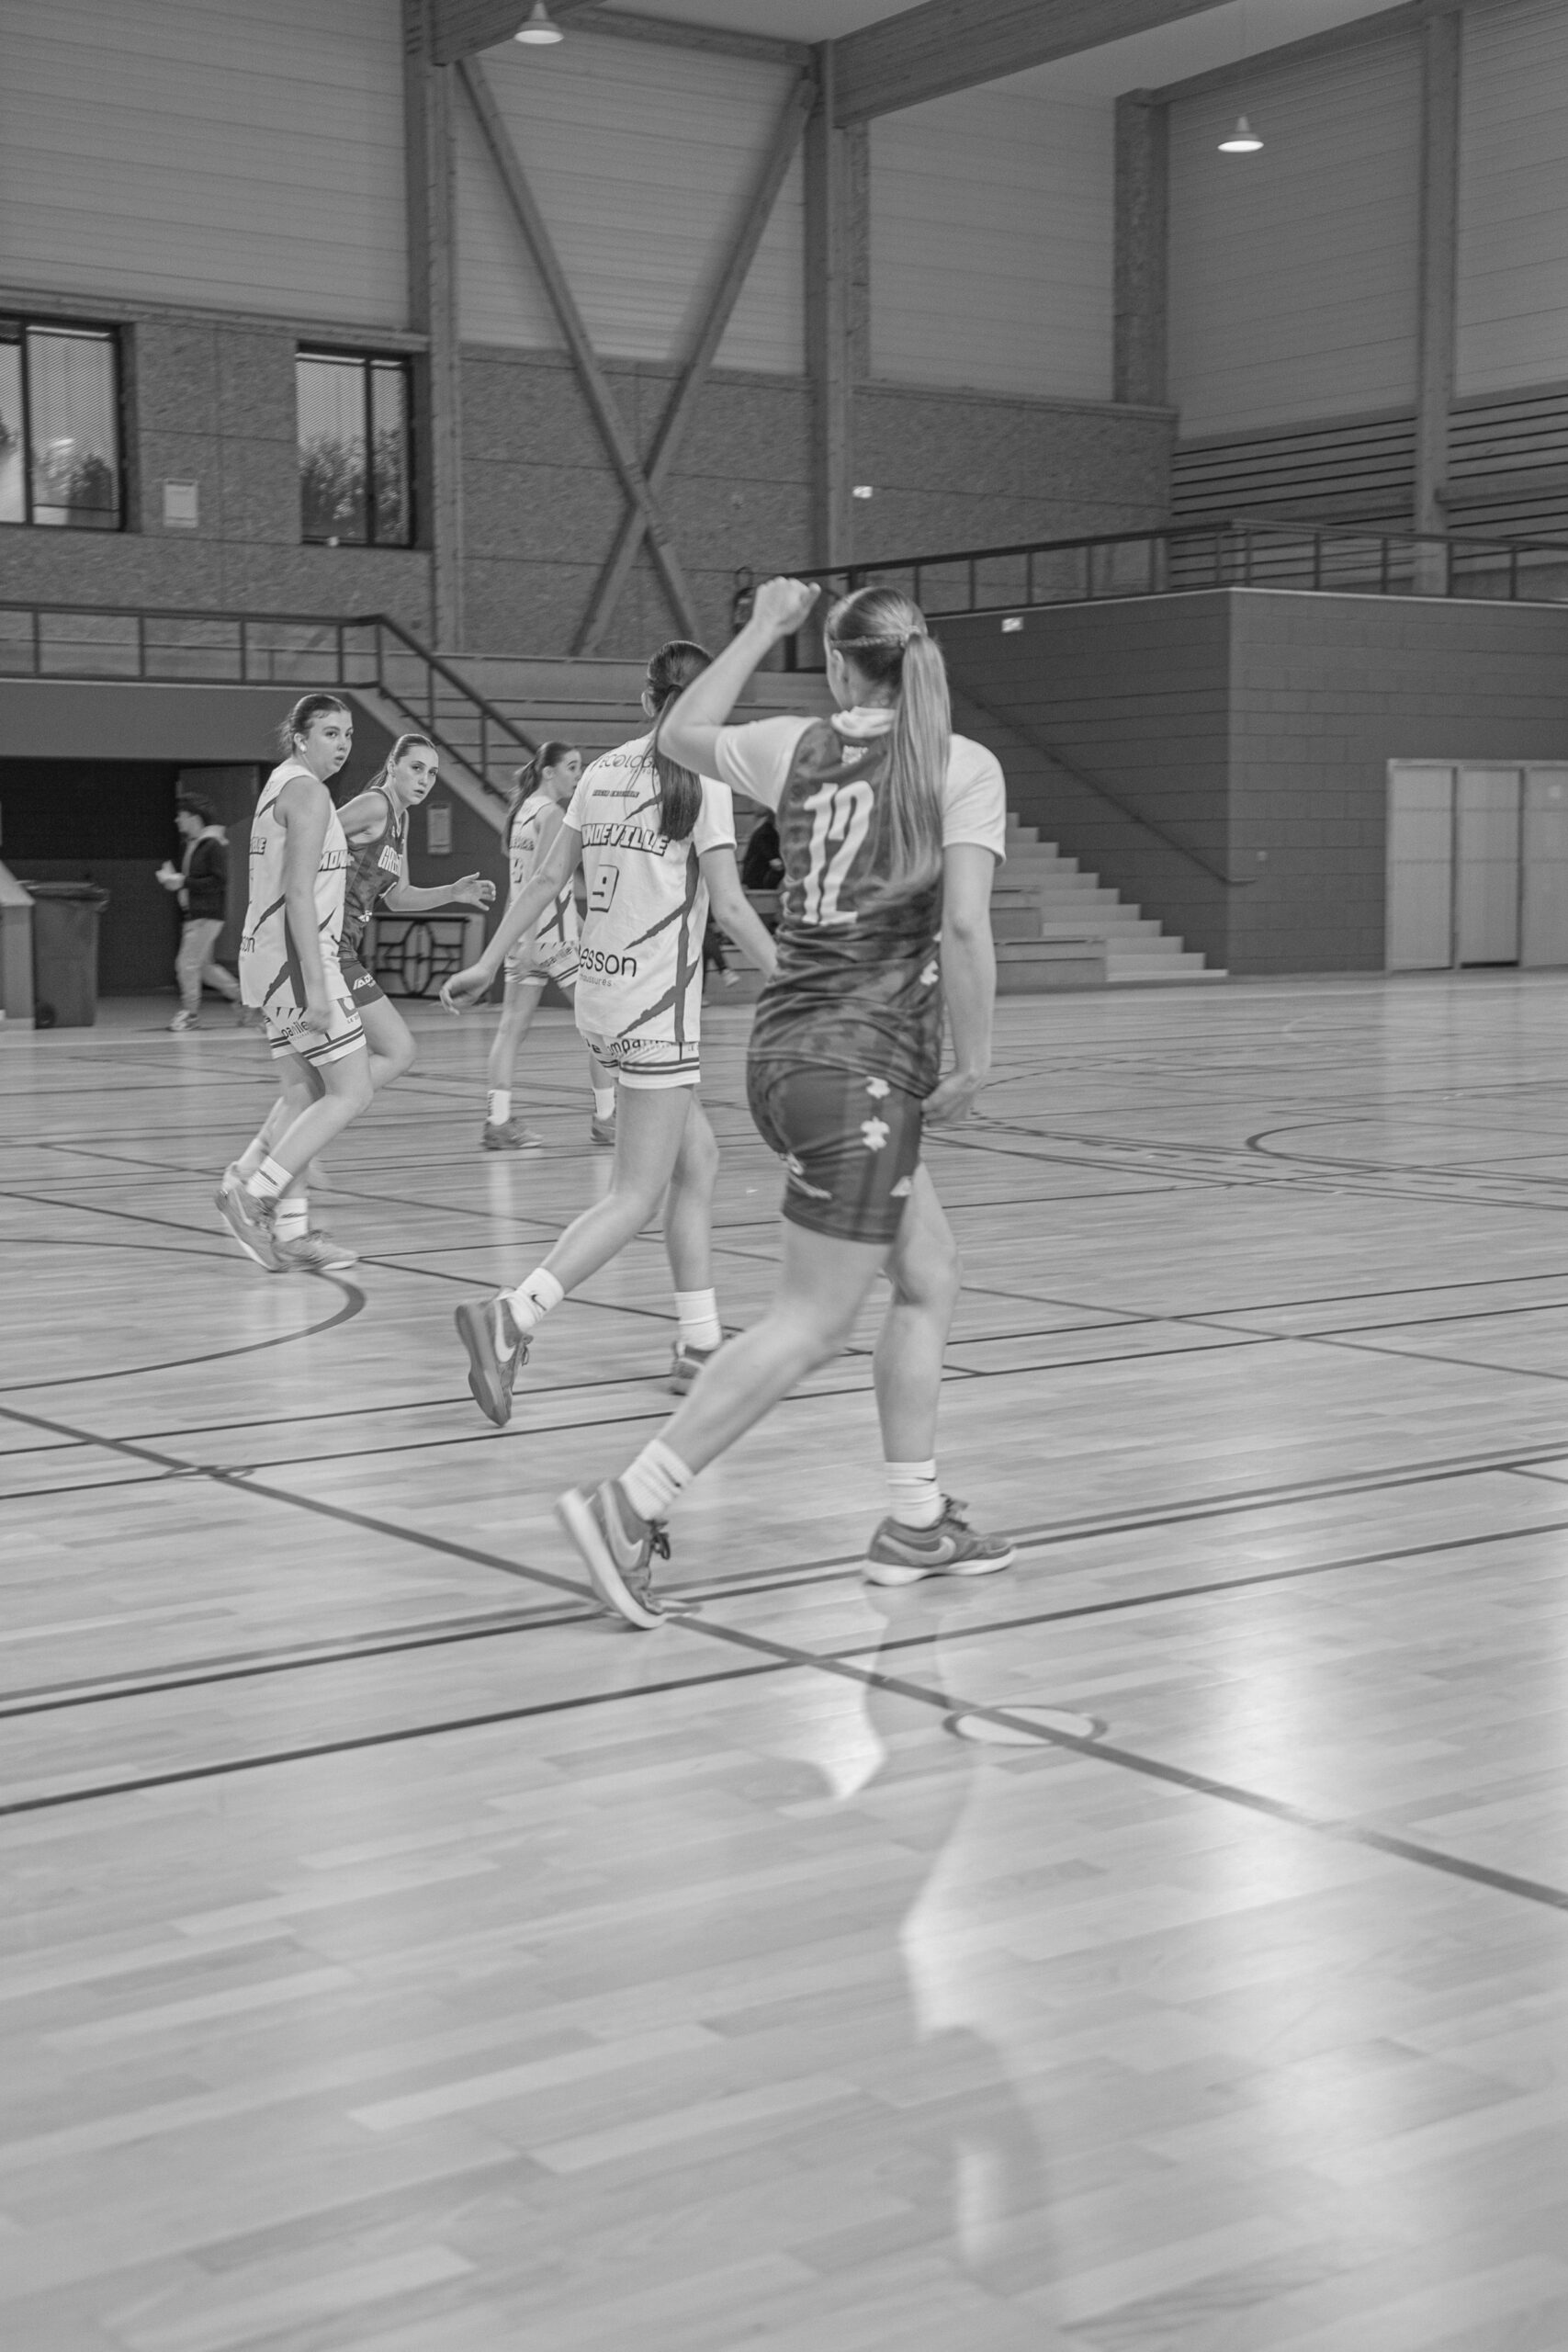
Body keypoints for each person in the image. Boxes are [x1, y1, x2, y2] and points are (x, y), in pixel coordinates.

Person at [555, 578, 1015, 1626]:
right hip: (859, 1067)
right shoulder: (962, 765)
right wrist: (978, 1061)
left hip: (785, 1056)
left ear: (839, 666)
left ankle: (915, 1518)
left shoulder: (793, 746)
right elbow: (965, 927)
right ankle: (630, 1504)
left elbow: (679, 732)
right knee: (810, 1323)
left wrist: (763, 626)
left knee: (929, 1273)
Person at [440, 639, 778, 1419]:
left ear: (644, 699)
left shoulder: (598, 773)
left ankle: (699, 1343)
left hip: (600, 1000)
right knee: (633, 1195)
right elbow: (730, 906)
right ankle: (513, 1315)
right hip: (656, 1010)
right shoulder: (704, 782)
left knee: (698, 1160)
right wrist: (797, 982)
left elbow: (545, 880)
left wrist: (488, 961)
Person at [222, 733, 495, 1264]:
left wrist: (452, 893)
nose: (424, 780)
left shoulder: (400, 820)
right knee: (373, 1065)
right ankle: (263, 1180)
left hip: (338, 951)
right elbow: (311, 837)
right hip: (321, 950)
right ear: (392, 766)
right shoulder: (372, 805)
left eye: (432, 773)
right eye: (416, 768)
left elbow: (398, 894)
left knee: (322, 1086)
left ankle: (270, 1185)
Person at [215, 694, 375, 1274]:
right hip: (296, 964)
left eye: (348, 734)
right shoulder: (307, 792)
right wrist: (316, 986)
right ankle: (254, 1197)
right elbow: (300, 894)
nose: (343, 744)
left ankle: (292, 1232)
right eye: (330, 733)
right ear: (301, 737)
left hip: (266, 959)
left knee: (303, 1093)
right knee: (352, 1090)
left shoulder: (281, 785)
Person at [481, 742, 617, 1153]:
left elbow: (530, 887)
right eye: (572, 767)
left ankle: (498, 1121)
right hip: (551, 938)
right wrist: (542, 938)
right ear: (549, 772)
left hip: (525, 933)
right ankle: (607, 1119)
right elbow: (542, 884)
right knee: (600, 1026)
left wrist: (523, 938)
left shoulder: (523, 811)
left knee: (511, 1029)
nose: (578, 775)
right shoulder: (554, 814)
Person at [158, 796, 244, 1032]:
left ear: (194, 818)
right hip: (197, 914)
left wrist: (182, 881)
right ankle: (243, 999)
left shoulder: (213, 844)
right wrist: (178, 881)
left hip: (207, 914)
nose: (177, 820)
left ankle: (191, 1014)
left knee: (186, 963)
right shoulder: (195, 844)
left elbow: (219, 881)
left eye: (181, 816)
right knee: (204, 967)